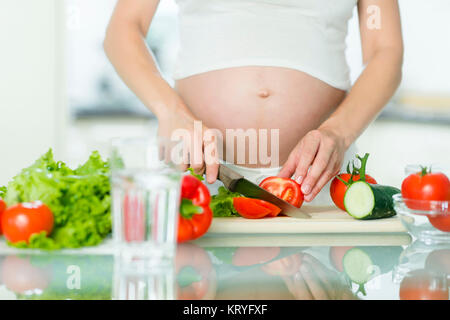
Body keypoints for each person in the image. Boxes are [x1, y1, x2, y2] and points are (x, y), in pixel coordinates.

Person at [104, 0, 403, 204]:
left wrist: (338, 132)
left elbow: (385, 50)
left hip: (317, 180)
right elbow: (125, 27)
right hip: (198, 170)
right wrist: (169, 112)